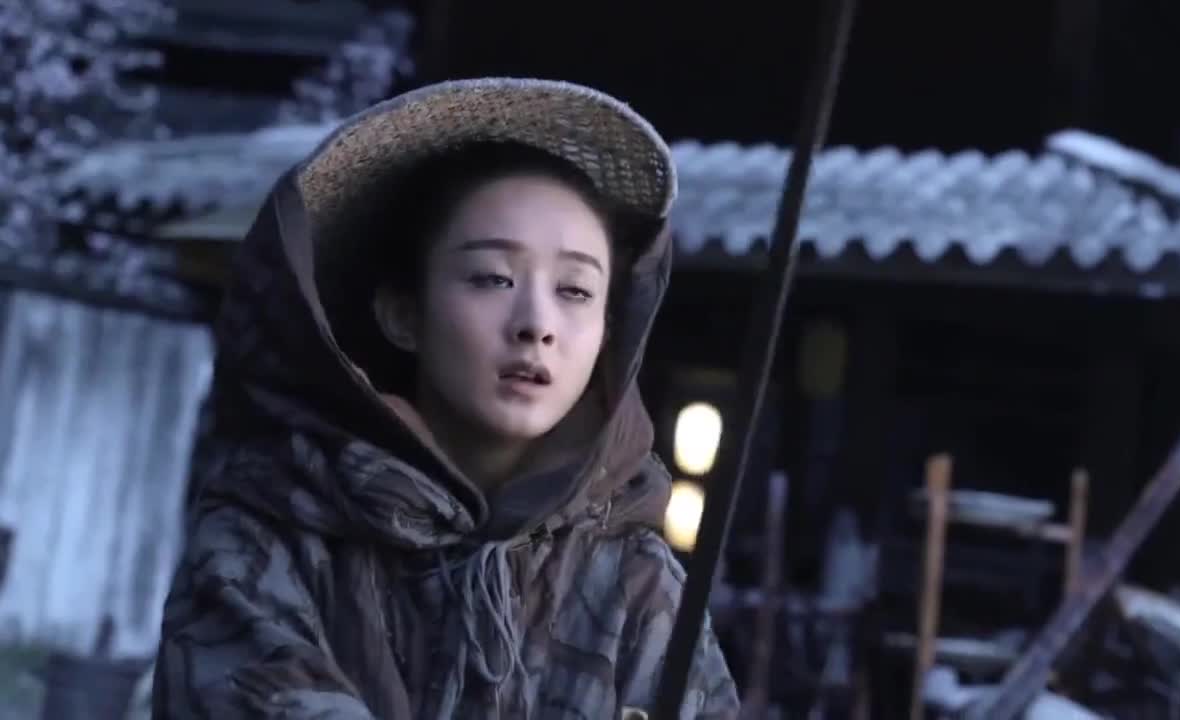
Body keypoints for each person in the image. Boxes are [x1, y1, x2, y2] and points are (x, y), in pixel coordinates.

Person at [151, 78, 740, 719]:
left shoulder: (637, 582)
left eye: (574, 291)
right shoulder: (271, 534)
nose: (537, 324)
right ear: (405, 314)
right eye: (492, 277)